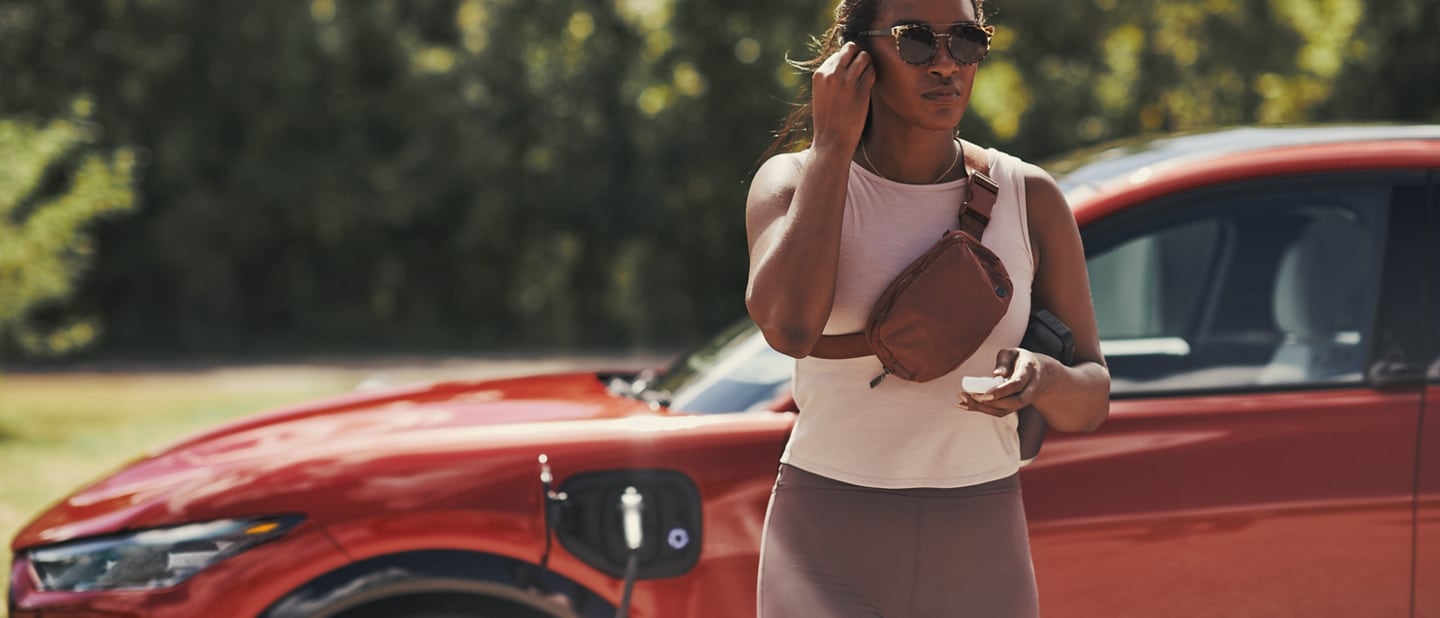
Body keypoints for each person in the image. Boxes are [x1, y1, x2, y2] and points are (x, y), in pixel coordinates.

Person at [744, 0, 1111, 615]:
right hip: (827, 535)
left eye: (966, 40)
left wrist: (1041, 376)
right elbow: (789, 326)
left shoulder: (1031, 197)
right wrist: (834, 145)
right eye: (916, 41)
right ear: (857, 57)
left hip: (980, 533)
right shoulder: (792, 182)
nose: (946, 64)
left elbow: (1093, 398)